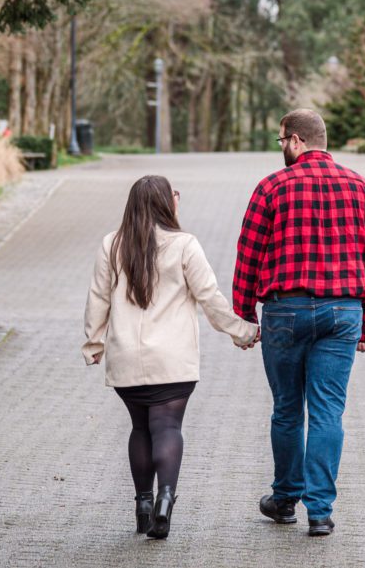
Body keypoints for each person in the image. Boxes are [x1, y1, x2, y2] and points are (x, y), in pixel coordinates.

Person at [233, 108, 365, 537]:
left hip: (285, 311)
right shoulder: (362, 188)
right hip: (343, 313)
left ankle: (285, 499)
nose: (281, 149)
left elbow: (248, 254)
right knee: (327, 412)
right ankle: (320, 511)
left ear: (298, 141)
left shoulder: (271, 188)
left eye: (282, 141)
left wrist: (244, 315)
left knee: (287, 409)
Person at [83, 175, 259, 540]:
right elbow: (209, 298)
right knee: (167, 428)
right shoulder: (184, 245)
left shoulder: (111, 245)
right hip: (173, 360)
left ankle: (143, 506)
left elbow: (98, 298)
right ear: (167, 203)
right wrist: (243, 331)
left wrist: (94, 344)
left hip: (126, 357)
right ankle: (165, 500)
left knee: (140, 428)